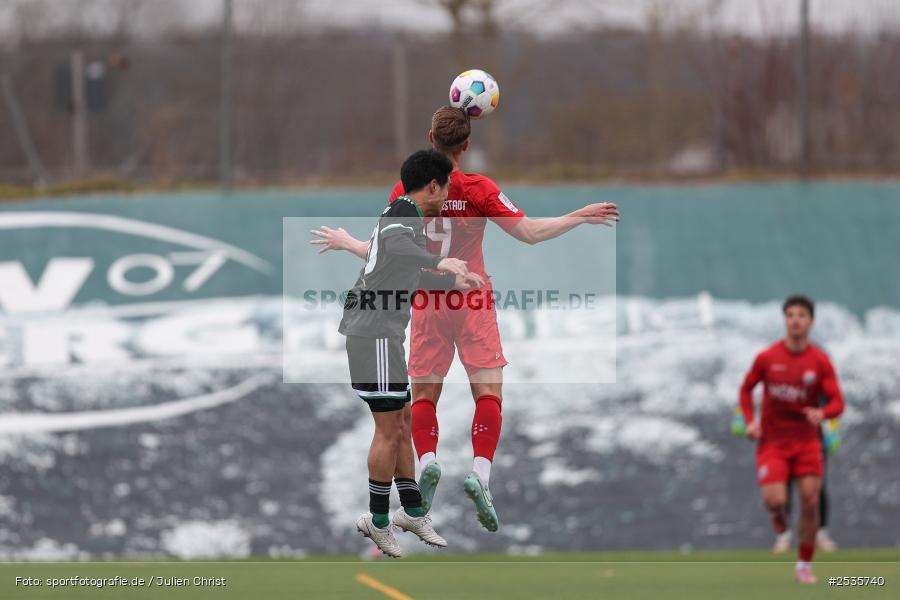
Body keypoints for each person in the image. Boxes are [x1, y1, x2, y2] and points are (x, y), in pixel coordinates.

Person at [312, 106, 619, 533]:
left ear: (429, 138)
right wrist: (577, 217)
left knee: (421, 398)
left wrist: (349, 243)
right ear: (467, 145)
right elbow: (529, 233)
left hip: (426, 300)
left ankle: (430, 462)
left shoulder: (410, 186)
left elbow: (386, 249)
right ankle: (480, 473)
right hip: (471, 295)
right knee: (488, 392)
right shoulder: (479, 188)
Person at [340, 149, 483, 557]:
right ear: (433, 186)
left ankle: (413, 510)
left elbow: (407, 272)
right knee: (388, 430)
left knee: (401, 420)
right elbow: (397, 246)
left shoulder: (406, 216)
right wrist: (444, 260)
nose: (448, 198)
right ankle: (379, 520)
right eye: (447, 189)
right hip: (375, 332)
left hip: (382, 333)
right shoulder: (401, 214)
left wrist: (451, 284)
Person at [738, 294, 844, 584]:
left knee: (810, 499)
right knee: (775, 500)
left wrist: (822, 413)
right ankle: (780, 525)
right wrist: (750, 422)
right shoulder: (768, 357)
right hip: (772, 441)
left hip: (807, 441)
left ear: (810, 321)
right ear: (785, 320)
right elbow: (745, 390)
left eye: (801, 315)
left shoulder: (820, 361)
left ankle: (803, 566)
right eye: (790, 315)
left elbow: (838, 402)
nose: (795, 320)